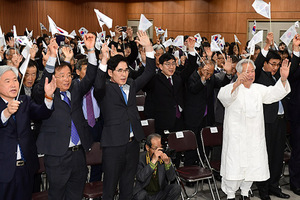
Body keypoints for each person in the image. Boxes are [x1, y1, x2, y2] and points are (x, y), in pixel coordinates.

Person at [32, 33, 98, 200]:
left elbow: (90, 76)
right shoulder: (47, 94)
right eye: (62, 76)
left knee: (75, 195)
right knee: (57, 196)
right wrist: (52, 59)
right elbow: (40, 89)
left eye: (69, 75)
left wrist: (91, 50)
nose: (67, 79)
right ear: (54, 77)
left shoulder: (75, 89)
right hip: (57, 156)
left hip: (78, 155)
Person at [93, 31, 156, 200]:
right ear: (110, 72)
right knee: (110, 188)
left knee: (128, 187)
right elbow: (97, 84)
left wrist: (148, 46)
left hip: (133, 144)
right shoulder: (104, 89)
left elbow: (149, 72)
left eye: (126, 70)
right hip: (113, 145)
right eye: (119, 71)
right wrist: (104, 60)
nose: (124, 74)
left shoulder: (132, 85)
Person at [217, 59, 291, 200]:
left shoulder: (258, 89)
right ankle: (231, 194)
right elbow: (224, 97)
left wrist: (283, 78)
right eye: (247, 71)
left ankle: (245, 193)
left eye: (252, 71)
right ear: (238, 73)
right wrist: (237, 83)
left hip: (254, 138)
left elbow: (274, 93)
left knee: (252, 165)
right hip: (236, 139)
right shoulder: (231, 88)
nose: (250, 74)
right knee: (234, 165)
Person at [0, 65, 56, 200]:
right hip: (3, 171)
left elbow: (42, 112)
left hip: (25, 169)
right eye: (7, 81)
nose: (13, 84)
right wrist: (6, 113)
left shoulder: (24, 101)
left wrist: (48, 96)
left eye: (15, 80)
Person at [255, 50, 291, 200]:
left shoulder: (279, 76)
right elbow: (256, 64)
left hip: (280, 121)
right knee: (266, 156)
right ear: (265, 63)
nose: (275, 67)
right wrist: (266, 47)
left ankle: (274, 186)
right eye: (272, 64)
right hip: (266, 122)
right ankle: (263, 189)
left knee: (277, 155)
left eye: (277, 64)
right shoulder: (258, 76)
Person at [132, 134, 181, 200]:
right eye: (155, 148)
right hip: (145, 193)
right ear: (147, 148)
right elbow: (141, 178)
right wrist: (153, 161)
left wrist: (167, 163)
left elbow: (171, 178)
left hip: (159, 193)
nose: (158, 151)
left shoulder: (163, 156)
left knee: (176, 188)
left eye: (160, 148)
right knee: (140, 196)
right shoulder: (140, 158)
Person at [287, 34, 300, 196]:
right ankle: (296, 183)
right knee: (298, 151)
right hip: (298, 115)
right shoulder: (295, 65)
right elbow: (292, 75)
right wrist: (296, 49)